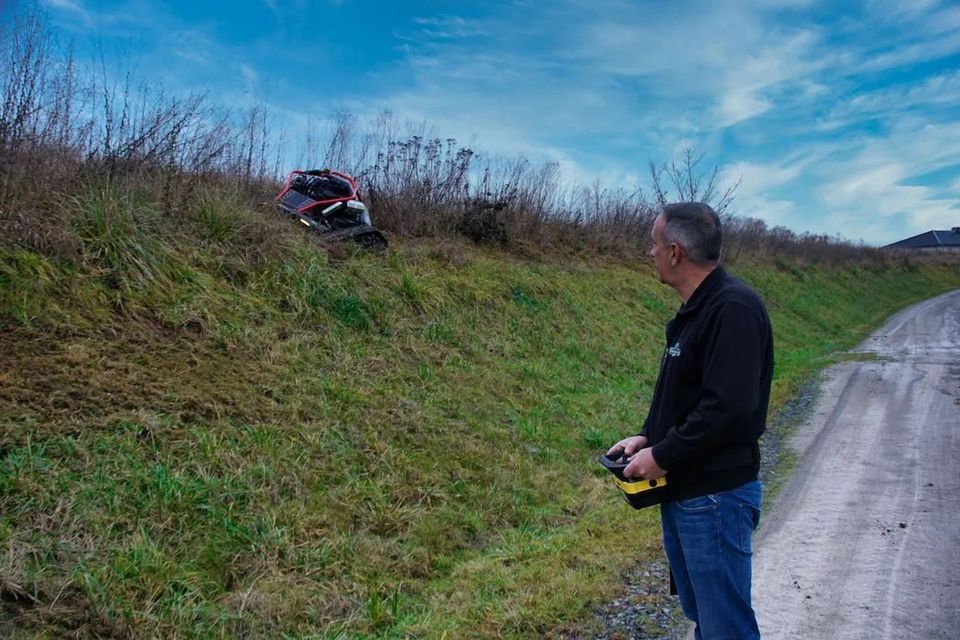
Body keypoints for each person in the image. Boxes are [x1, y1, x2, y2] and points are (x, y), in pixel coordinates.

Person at [607, 202, 773, 640]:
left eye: (655, 244)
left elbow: (728, 409)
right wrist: (647, 438)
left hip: (716, 495)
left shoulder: (732, 308)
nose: (651, 253)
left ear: (676, 252)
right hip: (689, 489)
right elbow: (687, 395)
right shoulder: (694, 312)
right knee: (706, 616)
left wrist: (664, 455)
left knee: (725, 627)